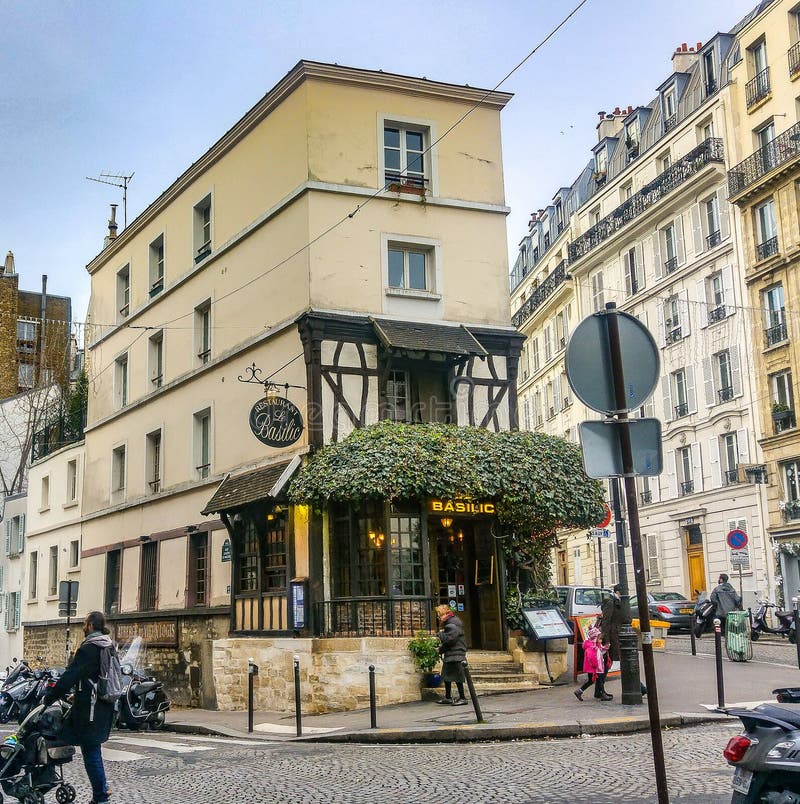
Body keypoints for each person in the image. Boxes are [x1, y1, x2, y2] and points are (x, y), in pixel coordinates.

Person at [44, 611, 115, 803]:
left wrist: (50, 697)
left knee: (88, 749)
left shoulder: (89, 648)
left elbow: (70, 676)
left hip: (90, 709)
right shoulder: (108, 645)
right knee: (92, 749)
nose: (83, 626)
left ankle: (100, 795)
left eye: (85, 623)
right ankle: (101, 791)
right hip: (104, 706)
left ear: (91, 625)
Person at [435, 603, 468, 706]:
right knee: (446, 676)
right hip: (452, 652)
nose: (438, 617)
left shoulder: (452, 623)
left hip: (456, 652)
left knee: (458, 676)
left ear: (445, 613)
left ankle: (462, 698)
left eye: (439, 615)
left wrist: (440, 634)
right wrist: (441, 650)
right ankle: (448, 697)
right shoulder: (450, 622)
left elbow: (450, 640)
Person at [574, 626, 612, 701]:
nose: (601, 640)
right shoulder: (593, 647)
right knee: (599, 679)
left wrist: (605, 648)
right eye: (599, 638)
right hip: (594, 667)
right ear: (595, 637)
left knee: (591, 680)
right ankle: (602, 694)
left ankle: (579, 691)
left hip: (592, 667)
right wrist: (596, 666)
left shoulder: (594, 645)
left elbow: (600, 650)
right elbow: (597, 655)